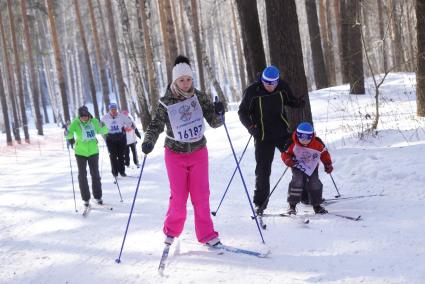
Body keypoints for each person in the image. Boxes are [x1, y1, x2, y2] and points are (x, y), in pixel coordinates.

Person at [141, 55, 225, 247]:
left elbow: (214, 122)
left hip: (198, 151)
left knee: (201, 196)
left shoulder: (200, 97)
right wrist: (148, 141)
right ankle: (171, 231)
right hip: (175, 154)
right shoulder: (166, 101)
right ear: (174, 80)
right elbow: (155, 125)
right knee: (178, 197)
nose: (186, 83)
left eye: (188, 79)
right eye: (181, 80)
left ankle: (207, 234)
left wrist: (220, 112)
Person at [238, 65, 305, 215]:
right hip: (262, 136)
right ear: (262, 80)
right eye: (268, 83)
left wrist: (298, 103)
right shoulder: (252, 91)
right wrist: (251, 127)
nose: (271, 86)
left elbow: (290, 100)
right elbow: (242, 112)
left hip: (282, 133)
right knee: (263, 170)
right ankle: (260, 204)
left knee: (298, 161)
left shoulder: (282, 86)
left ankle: (305, 196)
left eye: (274, 83)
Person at [281, 122, 333, 215]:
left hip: (312, 166)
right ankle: (292, 205)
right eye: (302, 137)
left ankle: (317, 205)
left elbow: (324, 153)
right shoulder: (292, 143)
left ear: (312, 136)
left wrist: (328, 164)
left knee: (315, 182)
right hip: (297, 166)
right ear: (298, 135)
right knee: (297, 181)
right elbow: (284, 153)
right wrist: (288, 160)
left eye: (307, 138)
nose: (304, 140)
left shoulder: (317, 143)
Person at [66, 106, 108, 207]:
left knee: (95, 174)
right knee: (82, 175)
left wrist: (103, 126)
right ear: (79, 116)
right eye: (82, 116)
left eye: (85, 116)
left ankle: (98, 196)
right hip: (80, 152)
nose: (84, 118)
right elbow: (69, 135)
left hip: (93, 151)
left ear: (88, 114)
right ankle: (85, 198)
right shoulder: (75, 122)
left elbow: (103, 131)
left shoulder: (94, 121)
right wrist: (67, 132)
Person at [101, 103, 129, 177]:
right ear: (109, 110)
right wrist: (104, 135)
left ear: (117, 109)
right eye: (112, 110)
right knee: (113, 156)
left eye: (115, 109)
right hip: (110, 138)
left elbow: (129, 123)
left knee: (121, 155)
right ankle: (115, 172)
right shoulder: (105, 117)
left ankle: (122, 171)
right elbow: (100, 127)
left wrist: (126, 128)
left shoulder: (121, 116)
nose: (113, 111)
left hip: (120, 138)